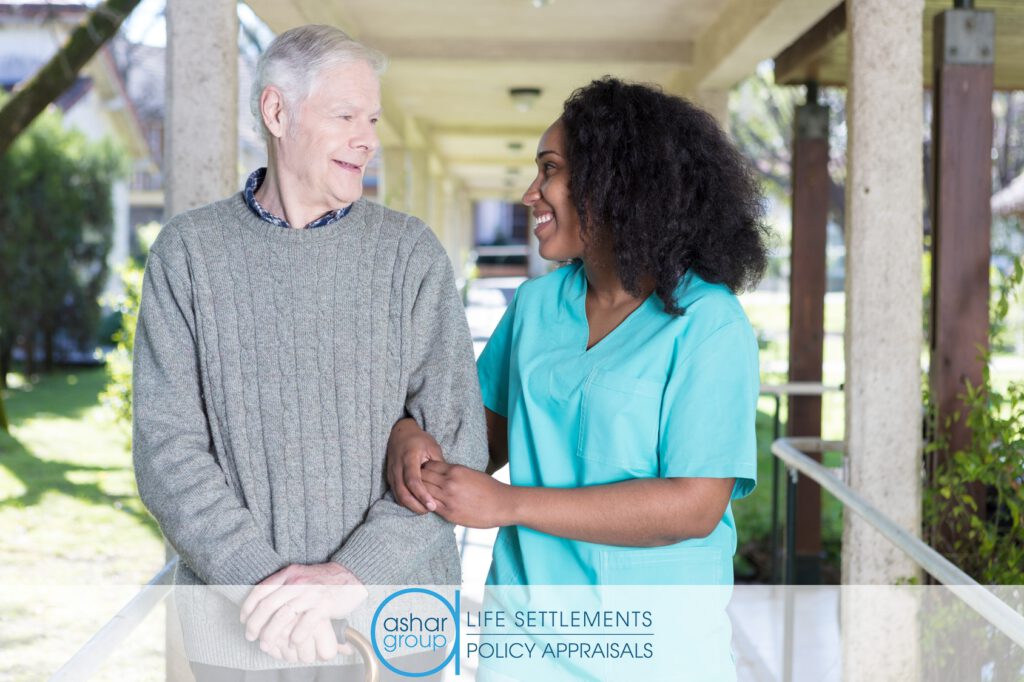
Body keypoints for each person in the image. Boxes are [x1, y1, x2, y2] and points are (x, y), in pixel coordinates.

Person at [132, 25, 486, 678]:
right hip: (241, 633)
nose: (368, 138)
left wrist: (351, 578)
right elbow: (166, 449)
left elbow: (458, 445)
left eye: (373, 119)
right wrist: (267, 590)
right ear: (276, 111)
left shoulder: (410, 255)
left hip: (395, 628)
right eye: (346, 115)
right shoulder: (188, 255)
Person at [387, 77, 768, 588]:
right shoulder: (536, 306)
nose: (530, 194)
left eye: (550, 169)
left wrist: (510, 504)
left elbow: (694, 506)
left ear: (616, 182)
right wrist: (408, 431)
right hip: (522, 626)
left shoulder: (709, 322)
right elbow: (475, 441)